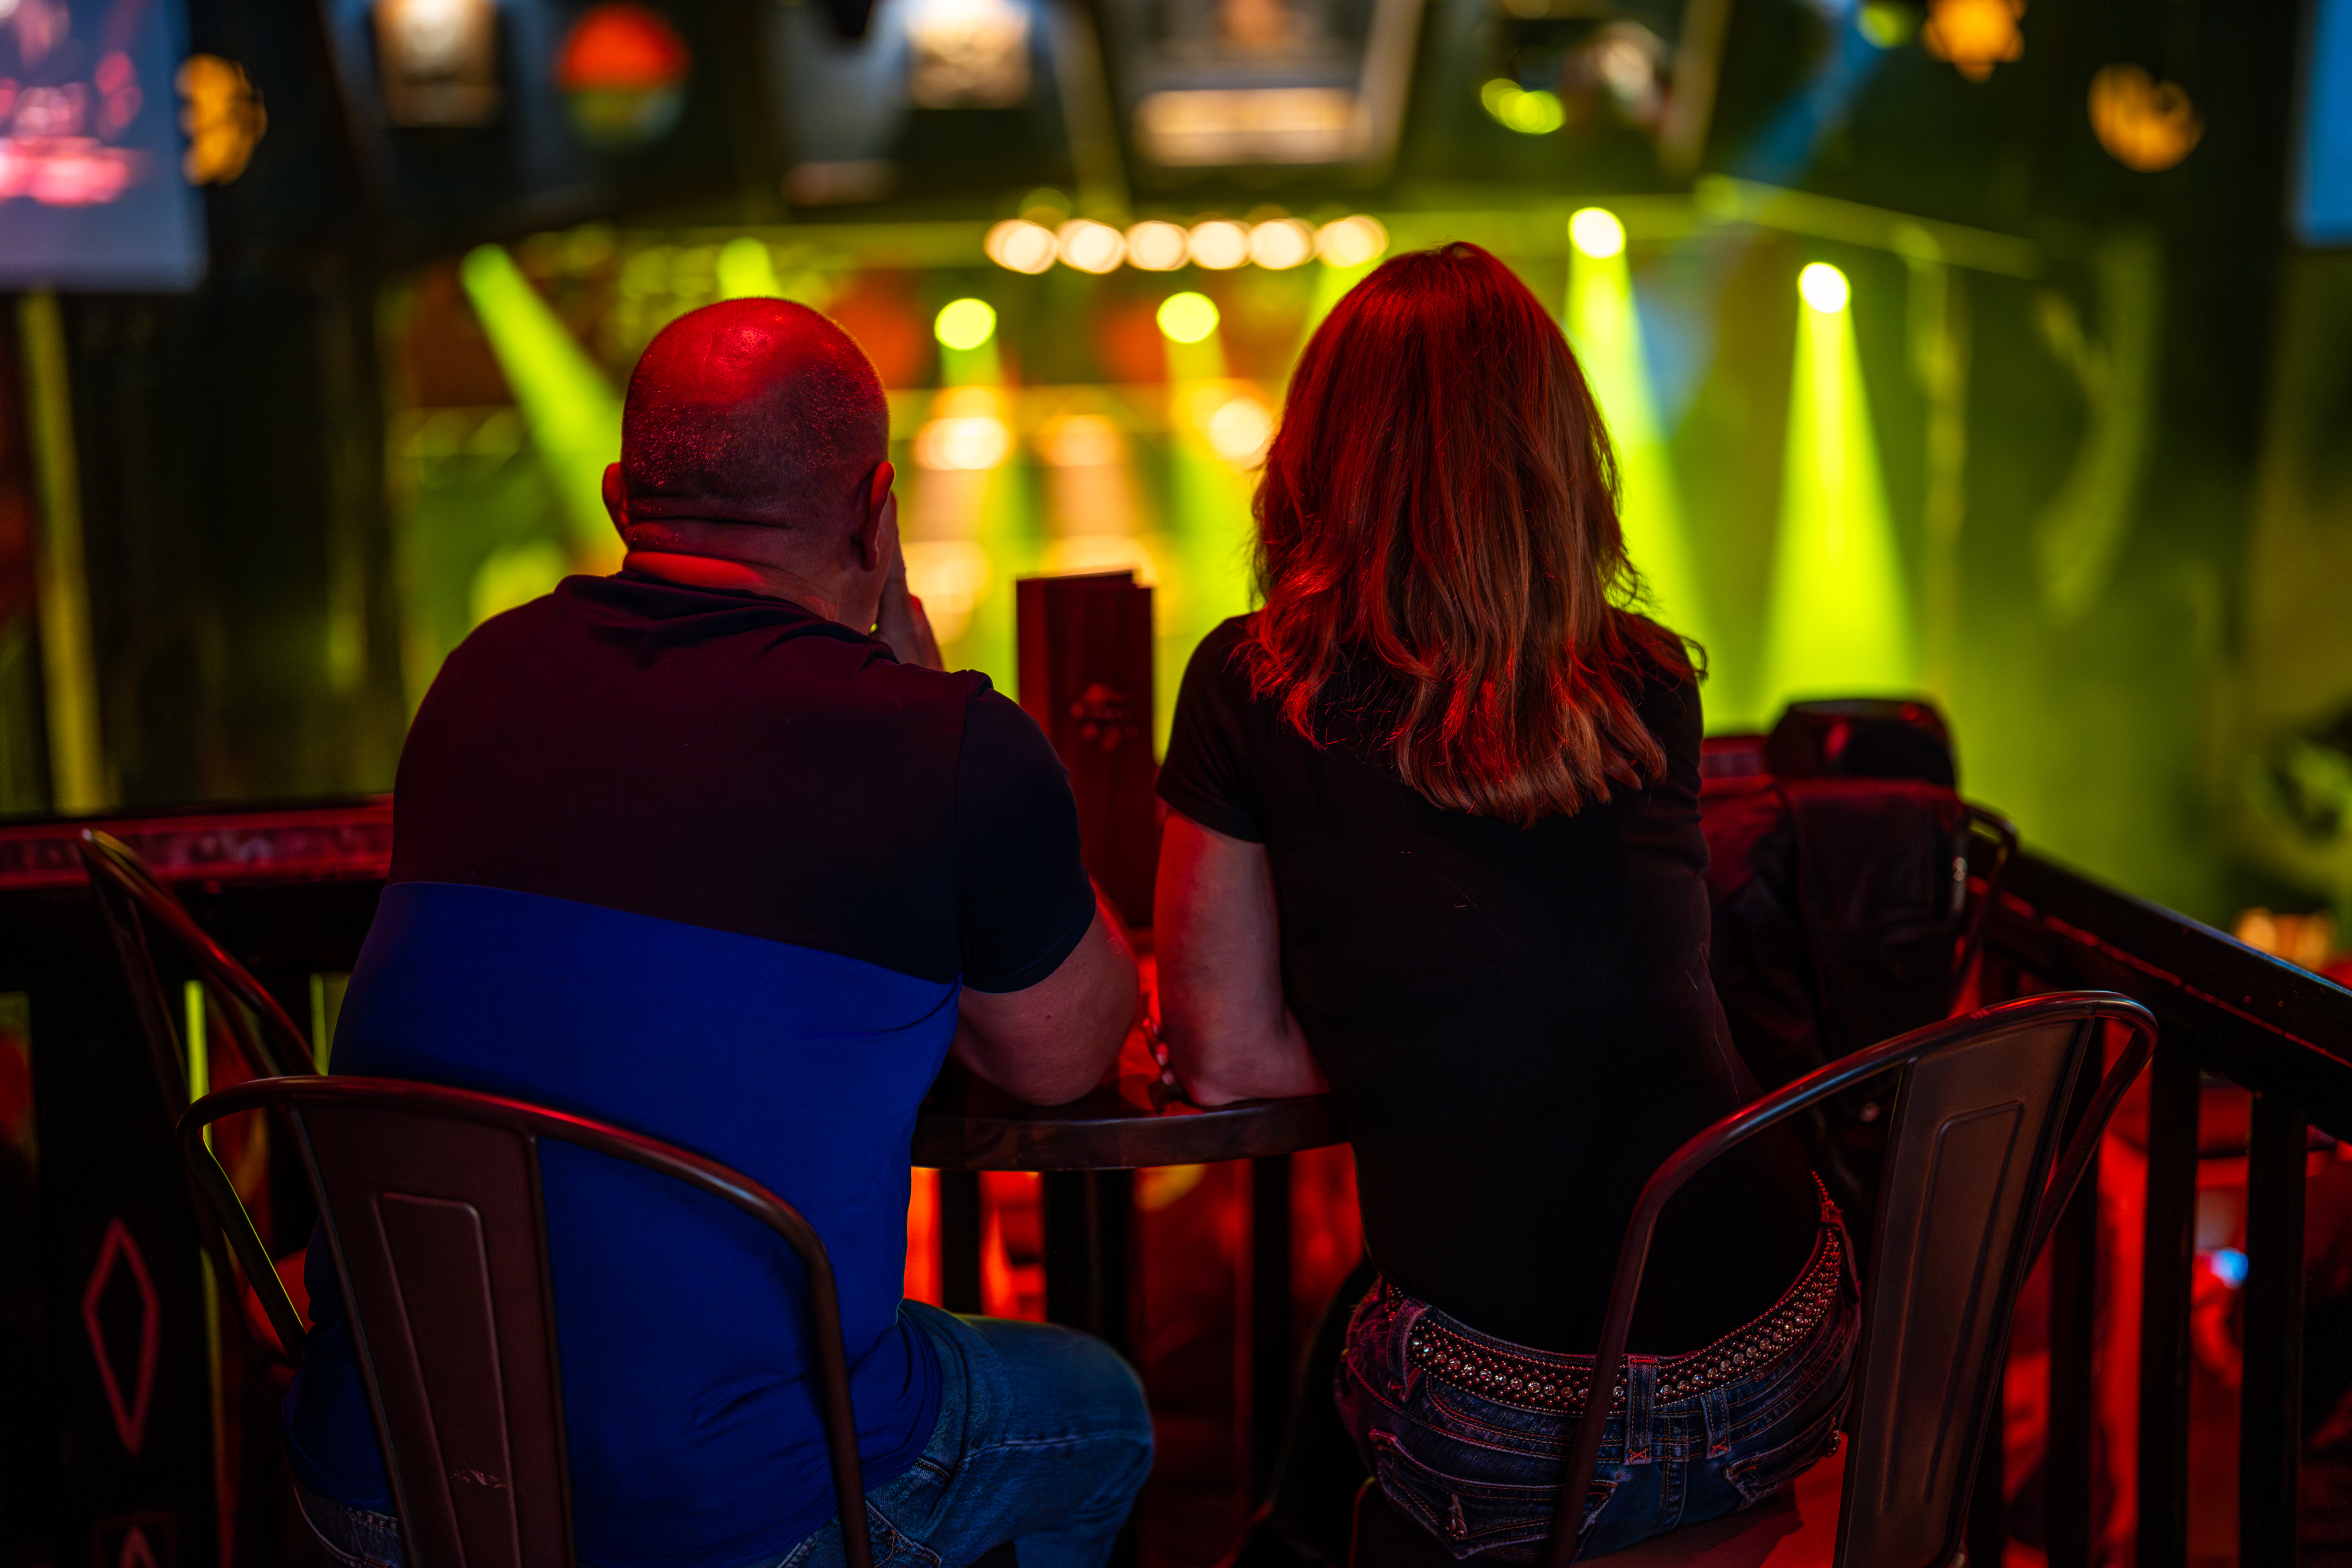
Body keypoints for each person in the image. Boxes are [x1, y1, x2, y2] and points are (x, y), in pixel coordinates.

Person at [283, 299, 1153, 1568]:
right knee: (1101, 1412)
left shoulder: (477, 682)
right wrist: (937, 725)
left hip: (391, 1480)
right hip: (729, 1519)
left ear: (620, 491)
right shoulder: (934, 744)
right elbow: (1064, 1056)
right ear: (876, 509)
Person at [1153, 244, 1855, 1562]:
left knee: (1371, 1344)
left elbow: (1224, 1055)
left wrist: (1399, 1045)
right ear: (1554, 454)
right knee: (1370, 1326)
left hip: (1516, 1416)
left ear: (1319, 457)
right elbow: (1617, 979)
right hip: (1774, 1342)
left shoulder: (1249, 685)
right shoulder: (1645, 676)